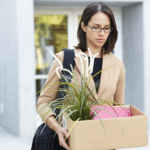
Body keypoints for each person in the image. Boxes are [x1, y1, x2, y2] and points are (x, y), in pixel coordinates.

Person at [36, 2, 125, 150]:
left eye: (106, 28)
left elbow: (118, 108)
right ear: (83, 26)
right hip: (68, 142)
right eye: (96, 27)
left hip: (104, 143)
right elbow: (43, 102)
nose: (102, 33)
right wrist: (58, 128)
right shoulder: (64, 58)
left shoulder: (117, 64)